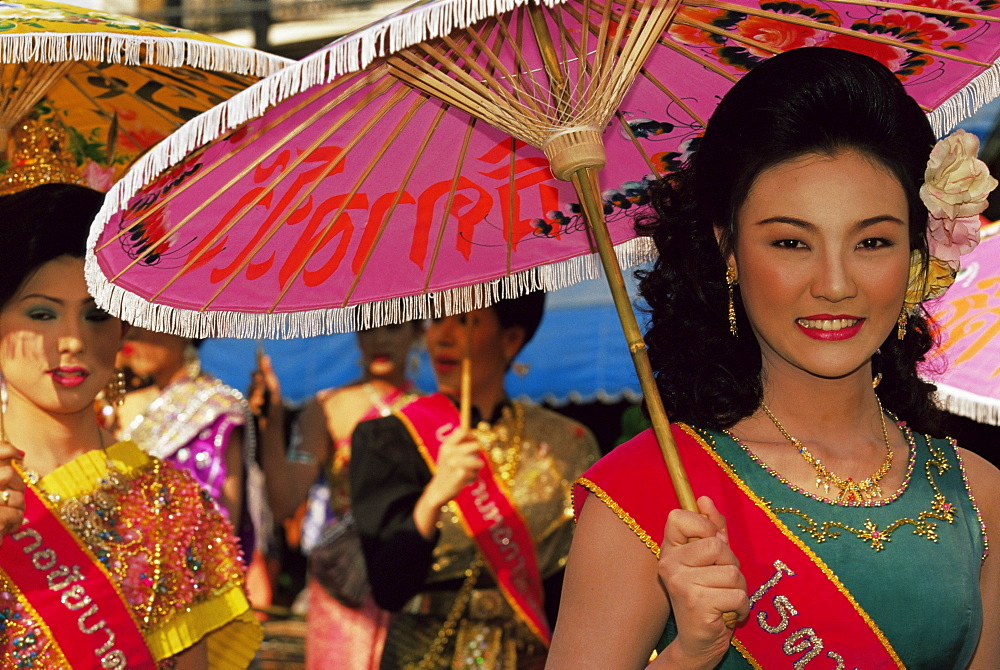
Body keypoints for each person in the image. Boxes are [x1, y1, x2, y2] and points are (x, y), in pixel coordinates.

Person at [545, 47, 1000, 669]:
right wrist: (689, 655)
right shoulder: (656, 494)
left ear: (916, 252)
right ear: (727, 247)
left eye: (872, 241)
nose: (835, 283)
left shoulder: (978, 494)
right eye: (791, 242)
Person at [0, 183, 260, 668]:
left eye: (96, 316)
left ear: (124, 327)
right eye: (42, 314)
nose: (74, 340)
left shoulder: (172, 504)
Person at [350, 293, 601, 669]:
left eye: (465, 321)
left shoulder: (566, 443)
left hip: (531, 656)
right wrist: (433, 497)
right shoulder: (388, 437)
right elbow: (388, 588)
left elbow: (583, 584)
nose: (442, 336)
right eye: (436, 320)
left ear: (511, 339)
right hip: (424, 655)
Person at [254, 322, 422, 669]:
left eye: (392, 328)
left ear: (418, 332)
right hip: (343, 582)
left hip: (414, 584)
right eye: (368, 328)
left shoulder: (436, 414)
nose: (379, 340)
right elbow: (285, 500)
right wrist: (271, 422)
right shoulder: (327, 407)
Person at [113, 329, 258, 551]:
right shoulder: (125, 408)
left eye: (147, 323)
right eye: (127, 325)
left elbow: (227, 524)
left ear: (181, 328)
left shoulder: (216, 409)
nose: (132, 336)